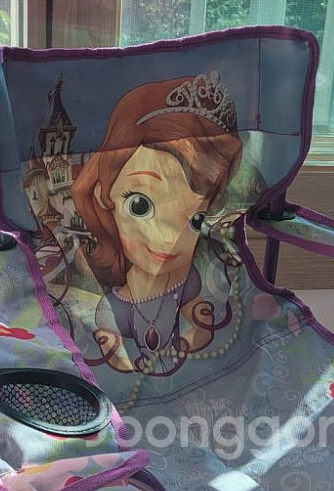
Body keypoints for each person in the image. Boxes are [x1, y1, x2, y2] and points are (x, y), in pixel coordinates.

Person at [71, 70, 242, 372]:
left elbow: (199, 323)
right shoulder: (114, 307)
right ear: (103, 194)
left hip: (188, 377)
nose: (168, 239)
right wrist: (118, 354)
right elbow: (114, 361)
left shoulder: (187, 281)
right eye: (140, 206)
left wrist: (196, 331)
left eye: (196, 218)